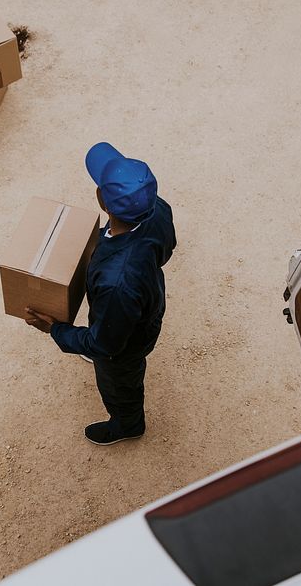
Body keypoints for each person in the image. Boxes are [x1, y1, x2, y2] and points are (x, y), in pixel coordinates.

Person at [25, 142, 177, 446]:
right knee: (105, 335)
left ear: (101, 201)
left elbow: (106, 345)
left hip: (123, 344)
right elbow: (167, 247)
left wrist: (55, 329)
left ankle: (128, 425)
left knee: (119, 384)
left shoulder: (116, 284)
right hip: (139, 307)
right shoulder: (158, 208)